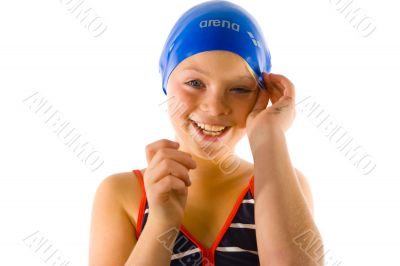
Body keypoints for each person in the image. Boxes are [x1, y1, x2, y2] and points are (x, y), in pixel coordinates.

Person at [89, 1, 324, 265]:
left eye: (239, 89)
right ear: (166, 82)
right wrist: (161, 223)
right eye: (195, 83)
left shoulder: (283, 185)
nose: (214, 107)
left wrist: (269, 137)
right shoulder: (122, 194)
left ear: (262, 95)